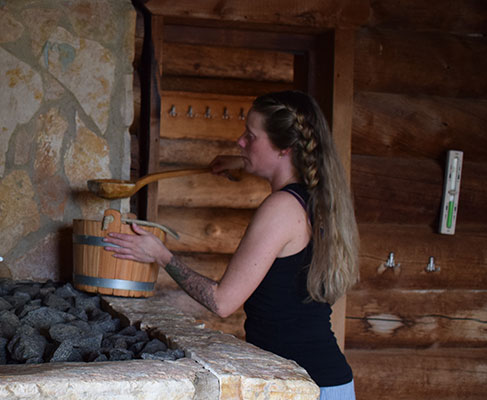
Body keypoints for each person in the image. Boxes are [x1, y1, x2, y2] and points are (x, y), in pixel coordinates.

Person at [103, 90, 359, 399]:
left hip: (306, 386)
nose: (240, 141)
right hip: (327, 381)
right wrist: (241, 161)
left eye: (250, 137)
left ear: (285, 149)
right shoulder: (313, 198)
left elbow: (222, 302)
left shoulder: (281, 208)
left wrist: (161, 255)